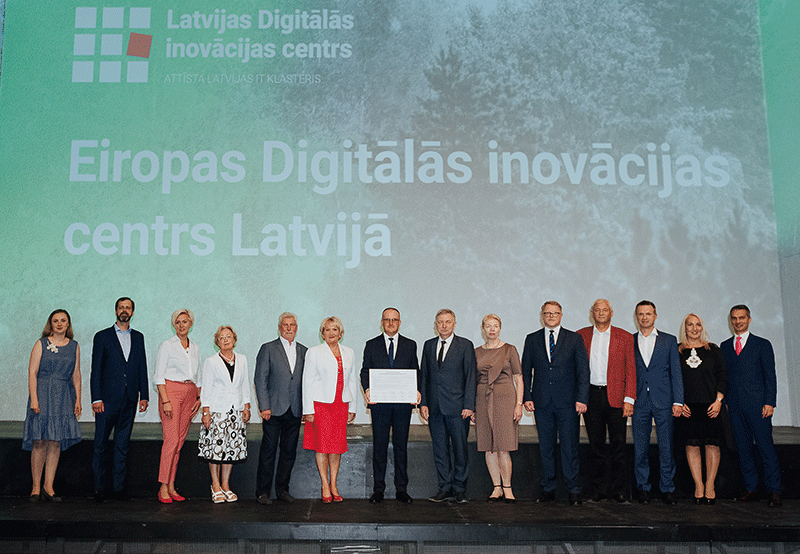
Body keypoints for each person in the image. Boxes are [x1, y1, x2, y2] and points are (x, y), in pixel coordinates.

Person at [521, 301, 589, 506]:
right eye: (547, 313)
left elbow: (583, 371)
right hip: (541, 402)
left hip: (568, 403)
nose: (551, 316)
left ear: (561, 315)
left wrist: (582, 398)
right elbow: (526, 371)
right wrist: (527, 397)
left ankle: (573, 490)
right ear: (542, 315)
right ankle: (548, 489)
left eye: (555, 313)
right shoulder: (532, 339)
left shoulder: (574, 339)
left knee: (570, 447)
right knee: (546, 448)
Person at [721, 305, 782, 507]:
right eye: (734, 318)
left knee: (766, 448)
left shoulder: (762, 344)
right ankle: (751, 489)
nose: (738, 321)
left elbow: (770, 376)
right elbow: (724, 377)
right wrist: (726, 402)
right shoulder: (725, 346)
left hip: (759, 407)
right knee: (744, 449)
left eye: (741, 318)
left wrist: (769, 402)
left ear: (749, 319)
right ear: (730, 321)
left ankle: (774, 490)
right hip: (735, 407)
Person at [577, 299, 636, 504]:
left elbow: (631, 370)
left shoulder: (625, 337)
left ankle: (619, 491)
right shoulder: (580, 335)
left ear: (611, 313)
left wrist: (629, 399)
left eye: (605, 310)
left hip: (617, 398)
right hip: (591, 396)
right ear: (592, 313)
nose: (601, 313)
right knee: (596, 446)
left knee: (619, 446)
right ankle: (598, 491)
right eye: (597, 310)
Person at [91, 297, 149, 502]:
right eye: (121, 307)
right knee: (100, 445)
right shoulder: (102, 336)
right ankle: (99, 489)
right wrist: (96, 398)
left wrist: (144, 395)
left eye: (128, 308)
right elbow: (96, 370)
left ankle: (118, 489)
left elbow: (142, 367)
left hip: (130, 399)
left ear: (132, 312)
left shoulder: (139, 337)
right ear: (116, 311)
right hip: (106, 401)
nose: (124, 310)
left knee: (122, 445)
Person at [360, 307, 420, 504]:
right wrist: (367, 389)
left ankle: (401, 490)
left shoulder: (410, 345)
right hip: (380, 405)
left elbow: (415, 371)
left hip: (403, 406)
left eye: (394, 320)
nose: (391, 323)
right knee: (380, 447)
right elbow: (365, 371)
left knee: (401, 447)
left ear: (400, 322)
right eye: (387, 319)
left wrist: (416, 391)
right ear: (382, 322)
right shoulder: (371, 345)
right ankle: (379, 490)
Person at [23, 309, 82, 502]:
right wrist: (34, 399)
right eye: (55, 320)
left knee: (55, 442)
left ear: (68, 324)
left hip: (63, 397)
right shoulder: (41, 344)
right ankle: (35, 488)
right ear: (50, 324)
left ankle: (48, 487)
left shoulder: (74, 346)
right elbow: (32, 372)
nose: (59, 324)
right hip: (42, 394)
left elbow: (76, 375)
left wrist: (78, 399)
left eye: (63, 320)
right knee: (39, 441)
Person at [419, 309, 477, 504]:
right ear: (435, 325)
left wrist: (469, 405)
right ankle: (445, 487)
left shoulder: (465, 345)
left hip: (458, 408)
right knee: (440, 450)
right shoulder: (428, 345)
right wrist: (423, 403)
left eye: (448, 322)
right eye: (440, 322)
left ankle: (460, 489)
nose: (444, 325)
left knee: (460, 449)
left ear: (454, 324)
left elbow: (471, 376)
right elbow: (424, 376)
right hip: (434, 408)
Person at [631, 300, 683, 505]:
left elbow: (676, 373)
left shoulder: (669, 340)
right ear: (636, 317)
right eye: (640, 314)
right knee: (640, 448)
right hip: (639, 402)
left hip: (664, 401)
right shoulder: (629, 341)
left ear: (655, 316)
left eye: (648, 314)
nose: (644, 317)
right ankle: (643, 487)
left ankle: (667, 488)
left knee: (666, 447)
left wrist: (678, 401)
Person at [302, 316, 359, 502]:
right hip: (321, 406)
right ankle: (324, 484)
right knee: (322, 446)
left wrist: (352, 407)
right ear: (322, 333)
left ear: (340, 333)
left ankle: (334, 484)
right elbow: (307, 381)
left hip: (341, 405)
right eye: (327, 329)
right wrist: (308, 410)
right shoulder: (314, 352)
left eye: (335, 329)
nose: (331, 333)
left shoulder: (349, 352)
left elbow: (352, 381)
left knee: (336, 447)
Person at [254, 312, 307, 505]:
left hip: (295, 410)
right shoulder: (268, 348)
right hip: (273, 410)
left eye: (292, 325)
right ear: (279, 327)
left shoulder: (304, 351)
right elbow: (260, 379)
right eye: (285, 325)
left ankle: (283, 490)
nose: (289, 328)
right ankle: (263, 492)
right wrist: (264, 406)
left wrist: (306, 409)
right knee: (268, 452)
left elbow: (307, 383)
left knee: (289, 452)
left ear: (296, 328)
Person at [676, 313, 727, 505]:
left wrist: (719, 400)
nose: (694, 328)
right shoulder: (677, 351)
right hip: (688, 408)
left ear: (702, 327)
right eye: (690, 325)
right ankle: (698, 486)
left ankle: (710, 485)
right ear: (685, 328)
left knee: (712, 445)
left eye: (698, 325)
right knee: (692, 446)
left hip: (711, 406)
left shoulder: (713, 350)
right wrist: (679, 402)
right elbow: (672, 378)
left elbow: (722, 376)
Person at [198, 326, 251, 503]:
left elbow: (245, 384)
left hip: (236, 410)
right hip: (217, 411)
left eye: (229, 336)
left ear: (234, 339)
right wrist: (206, 412)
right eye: (222, 338)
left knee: (231, 448)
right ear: (217, 342)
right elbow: (206, 388)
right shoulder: (211, 362)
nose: (226, 340)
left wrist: (246, 406)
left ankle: (226, 485)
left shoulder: (242, 359)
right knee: (216, 448)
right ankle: (215, 485)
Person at [473, 314, 523, 503]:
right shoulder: (476, 352)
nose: (492, 329)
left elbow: (518, 378)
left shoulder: (510, 349)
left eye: (495, 326)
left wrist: (519, 404)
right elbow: (473, 380)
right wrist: (473, 408)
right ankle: (496, 488)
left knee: (503, 446)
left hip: (505, 399)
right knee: (488, 447)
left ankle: (507, 487)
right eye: (488, 326)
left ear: (500, 328)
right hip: (482, 399)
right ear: (483, 329)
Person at [154, 309, 201, 504]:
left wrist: (199, 397)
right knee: (171, 442)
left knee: (179, 443)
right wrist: (165, 400)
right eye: (178, 322)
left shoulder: (195, 347)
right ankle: (163, 486)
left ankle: (172, 485)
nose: (182, 325)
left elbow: (197, 376)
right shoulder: (167, 345)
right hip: (171, 392)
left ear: (191, 324)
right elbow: (159, 376)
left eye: (185, 321)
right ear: (174, 325)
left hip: (190, 393)